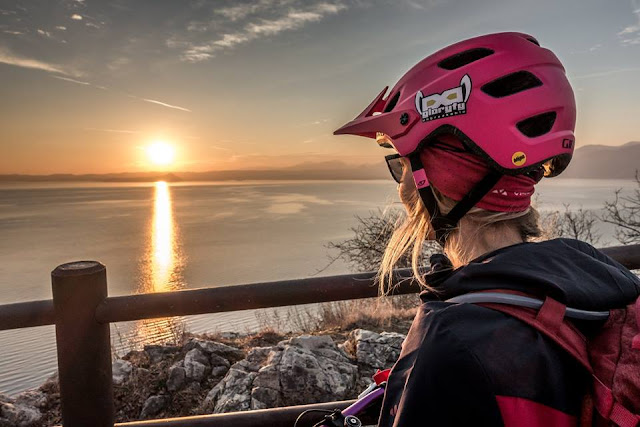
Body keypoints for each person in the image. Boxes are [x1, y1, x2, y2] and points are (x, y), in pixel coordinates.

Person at [333, 32, 640, 426]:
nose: (402, 186)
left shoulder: (453, 344)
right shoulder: (604, 287)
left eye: (403, 165)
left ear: (439, 180)